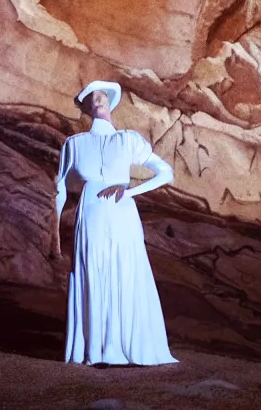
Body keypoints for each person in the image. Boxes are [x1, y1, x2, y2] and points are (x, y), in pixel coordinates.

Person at [55, 80, 178, 366]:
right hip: (91, 217)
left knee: (125, 269)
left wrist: (129, 191)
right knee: (94, 270)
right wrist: (54, 235)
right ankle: (96, 349)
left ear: (110, 102)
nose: (97, 100)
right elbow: (59, 189)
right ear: (85, 107)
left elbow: (165, 172)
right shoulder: (75, 144)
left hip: (122, 215)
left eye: (102, 96)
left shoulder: (127, 139)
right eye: (92, 98)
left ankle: (126, 346)